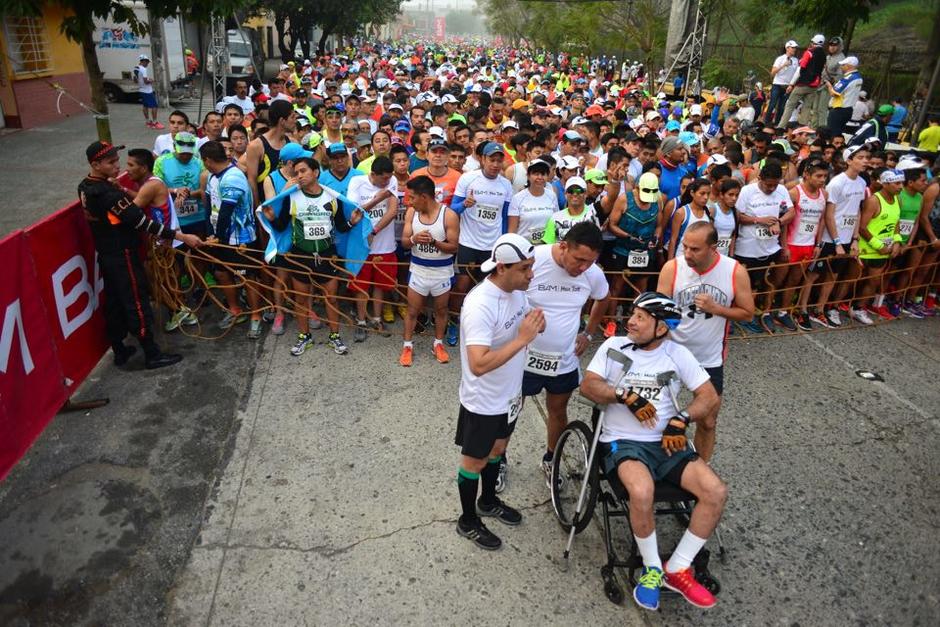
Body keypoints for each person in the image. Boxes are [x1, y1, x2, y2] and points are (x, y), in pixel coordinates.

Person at [579, 291, 724, 611]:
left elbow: (708, 396)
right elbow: (588, 386)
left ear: (661, 328)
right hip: (621, 440)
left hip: (666, 442)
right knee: (641, 491)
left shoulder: (677, 353)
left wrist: (682, 419)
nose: (630, 320)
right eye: (632, 314)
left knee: (715, 491)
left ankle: (678, 569)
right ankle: (652, 568)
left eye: (641, 317)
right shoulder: (614, 346)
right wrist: (625, 396)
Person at [454, 233, 545, 550]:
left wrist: (536, 324)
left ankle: (488, 501)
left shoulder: (517, 292)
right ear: (502, 267)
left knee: (497, 450)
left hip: (510, 396)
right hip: (483, 401)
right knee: (474, 462)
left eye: (531, 266)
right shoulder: (480, 304)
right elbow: (478, 364)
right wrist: (522, 339)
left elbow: (524, 325)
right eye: (524, 268)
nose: (530, 274)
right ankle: (467, 521)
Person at [78, 141, 201, 368]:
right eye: (112, 162)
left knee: (114, 302)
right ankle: (152, 353)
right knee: (137, 301)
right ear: (95, 164)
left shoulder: (85, 186)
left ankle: (120, 349)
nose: (119, 168)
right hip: (123, 253)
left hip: (106, 252)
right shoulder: (107, 193)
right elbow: (141, 221)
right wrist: (182, 237)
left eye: (120, 162)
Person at [524, 222, 608, 487]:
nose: (583, 268)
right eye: (579, 259)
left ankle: (551, 459)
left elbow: (603, 298)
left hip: (563, 359)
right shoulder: (533, 259)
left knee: (558, 410)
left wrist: (589, 333)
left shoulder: (592, 273)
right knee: (510, 410)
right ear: (563, 246)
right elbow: (505, 291)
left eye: (590, 262)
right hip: (525, 356)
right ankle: (498, 461)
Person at [263, 156, 359, 356]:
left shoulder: (332, 198)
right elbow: (282, 227)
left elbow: (340, 226)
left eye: (303, 171)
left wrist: (352, 222)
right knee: (302, 300)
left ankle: (334, 336)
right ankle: (304, 336)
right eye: (296, 172)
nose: (299, 176)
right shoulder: (292, 197)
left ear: (315, 173)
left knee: (331, 298)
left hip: (327, 256)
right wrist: (272, 218)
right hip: (301, 256)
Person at [448, 142, 515, 346]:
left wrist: (502, 242)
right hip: (468, 242)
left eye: (498, 160)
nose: (495, 164)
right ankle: (453, 323)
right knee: (462, 285)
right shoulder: (468, 179)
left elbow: (504, 216)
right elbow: (452, 210)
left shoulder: (505, 185)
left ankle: (486, 326)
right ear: (482, 159)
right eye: (491, 160)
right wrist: (464, 204)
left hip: (491, 245)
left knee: (489, 288)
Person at [200, 140, 264, 337]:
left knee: (248, 277)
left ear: (208, 160)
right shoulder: (212, 176)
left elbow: (227, 212)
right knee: (221, 273)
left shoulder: (234, 177)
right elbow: (210, 206)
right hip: (219, 237)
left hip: (240, 238)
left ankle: (255, 316)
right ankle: (235, 309)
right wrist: (210, 233)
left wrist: (217, 237)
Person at [399, 175, 460, 366]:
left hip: (441, 271)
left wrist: (434, 242)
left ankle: (438, 343)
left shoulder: (448, 215)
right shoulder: (411, 213)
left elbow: (454, 247)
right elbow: (404, 243)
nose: (409, 201)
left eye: (412, 197)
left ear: (424, 197)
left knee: (441, 310)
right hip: (418, 269)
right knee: (412, 310)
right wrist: (415, 240)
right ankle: (407, 346)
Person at [809, 145, 869, 327]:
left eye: (867, 157)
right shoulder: (836, 183)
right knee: (814, 275)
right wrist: (836, 242)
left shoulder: (862, 183)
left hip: (847, 237)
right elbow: (828, 214)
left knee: (833, 275)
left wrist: (855, 239)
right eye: (861, 157)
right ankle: (805, 309)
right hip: (830, 238)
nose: (865, 160)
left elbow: (857, 212)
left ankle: (821, 309)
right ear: (849, 160)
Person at [733, 161, 795, 333]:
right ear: (760, 178)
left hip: (771, 246)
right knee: (749, 285)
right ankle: (745, 316)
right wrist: (759, 220)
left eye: (775, 185)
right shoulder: (747, 191)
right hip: (748, 247)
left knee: (771, 281)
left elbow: (791, 212)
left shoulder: (781, 190)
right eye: (769, 185)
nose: (772, 189)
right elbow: (737, 216)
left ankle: (765, 313)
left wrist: (779, 222)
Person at [346, 156, 400, 340]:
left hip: (384, 245)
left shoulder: (392, 180)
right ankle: (361, 321)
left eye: (389, 178)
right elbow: (354, 213)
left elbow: (393, 211)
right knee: (361, 287)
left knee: (380, 286)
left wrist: (374, 231)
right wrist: (377, 200)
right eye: (383, 178)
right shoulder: (357, 182)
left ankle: (377, 319)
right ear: (373, 174)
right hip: (361, 247)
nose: (387, 182)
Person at [853, 169, 905, 323]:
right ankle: (833, 307)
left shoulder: (898, 200)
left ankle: (859, 309)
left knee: (874, 281)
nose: (900, 186)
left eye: (901, 183)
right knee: (852, 281)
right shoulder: (874, 201)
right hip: (866, 248)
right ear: (886, 183)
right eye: (897, 183)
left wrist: (897, 241)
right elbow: (862, 227)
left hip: (882, 250)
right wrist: (879, 245)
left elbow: (896, 222)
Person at [779, 34, 827, 127]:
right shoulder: (823, 56)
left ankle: (781, 126)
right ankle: (802, 128)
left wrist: (791, 84)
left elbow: (800, 70)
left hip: (803, 83)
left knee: (790, 105)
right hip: (814, 85)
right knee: (807, 107)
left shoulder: (809, 53)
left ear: (813, 43)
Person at [507, 158, 557, 243]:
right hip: (525, 249)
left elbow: (556, 222)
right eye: (536, 174)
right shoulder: (517, 198)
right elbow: (512, 231)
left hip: (546, 248)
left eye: (543, 174)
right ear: (528, 176)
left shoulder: (552, 196)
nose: (540, 177)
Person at [135, 54, 163, 129]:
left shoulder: (136, 68)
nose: (147, 63)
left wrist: (142, 81)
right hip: (147, 91)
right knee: (154, 106)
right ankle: (155, 123)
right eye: (147, 62)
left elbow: (135, 79)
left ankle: (148, 122)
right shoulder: (143, 69)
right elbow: (145, 81)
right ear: (143, 61)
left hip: (141, 90)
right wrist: (151, 80)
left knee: (145, 106)